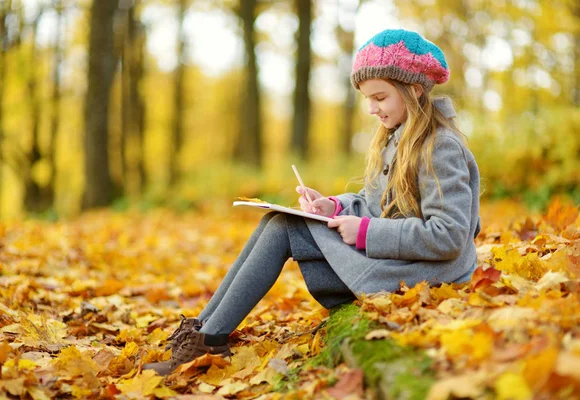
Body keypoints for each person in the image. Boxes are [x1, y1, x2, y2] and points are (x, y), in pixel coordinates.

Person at [143, 28, 481, 376]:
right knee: (276, 221)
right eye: (367, 98)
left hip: (426, 276)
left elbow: (450, 235)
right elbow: (374, 203)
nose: (370, 108)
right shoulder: (396, 138)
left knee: (284, 229)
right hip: (398, 263)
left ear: (413, 90)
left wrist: (365, 232)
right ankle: (201, 328)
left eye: (379, 97)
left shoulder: (440, 147)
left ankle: (210, 338)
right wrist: (333, 207)